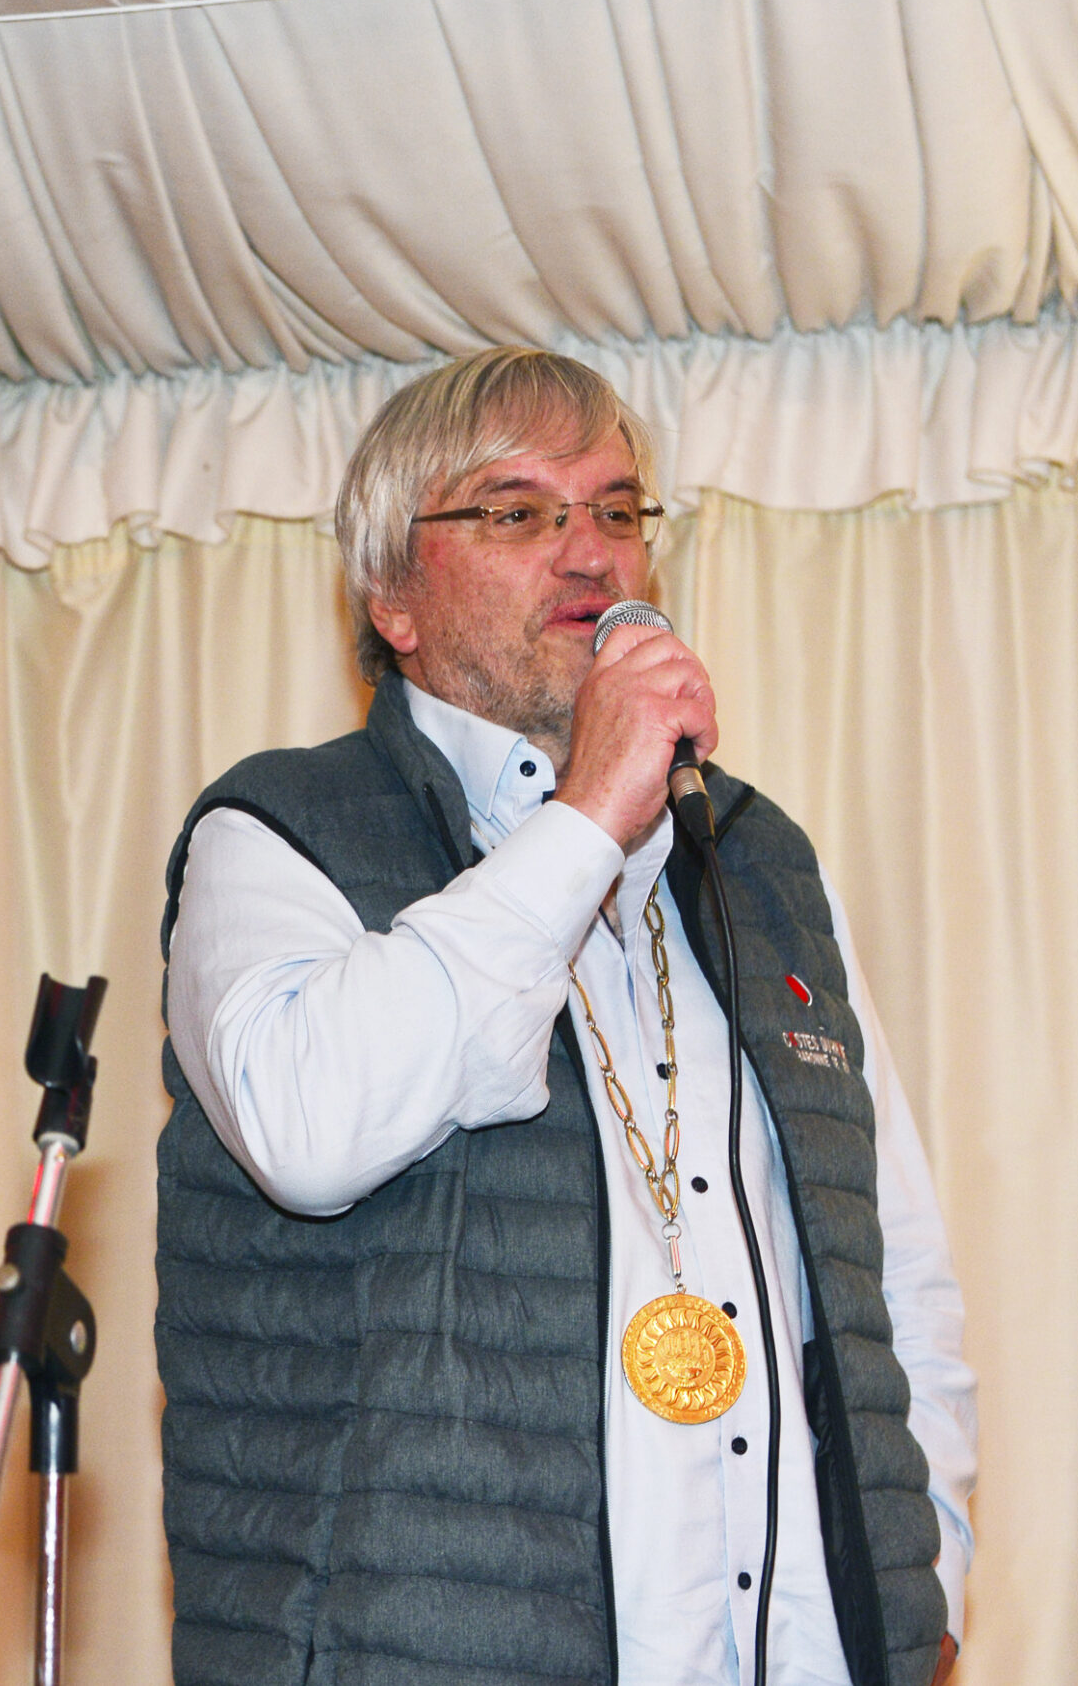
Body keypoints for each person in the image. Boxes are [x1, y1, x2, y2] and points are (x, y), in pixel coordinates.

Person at [155, 349, 973, 1686]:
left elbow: (897, 1273)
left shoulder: (761, 861)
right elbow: (307, 1129)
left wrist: (921, 1581)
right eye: (518, 511)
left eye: (617, 509)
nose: (590, 552)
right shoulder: (276, 831)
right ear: (391, 595)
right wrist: (587, 815)